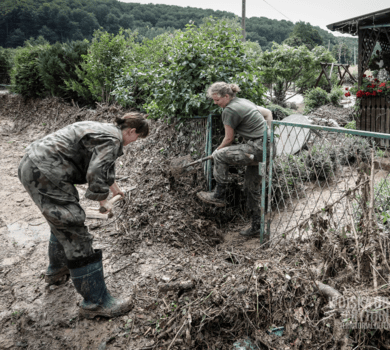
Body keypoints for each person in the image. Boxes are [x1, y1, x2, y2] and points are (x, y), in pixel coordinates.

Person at [18, 113, 149, 319]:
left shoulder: (104, 130)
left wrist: (114, 188)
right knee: (74, 228)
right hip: (46, 171)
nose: (134, 142)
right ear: (131, 131)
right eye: (137, 138)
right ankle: (96, 301)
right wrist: (101, 200)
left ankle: (58, 269)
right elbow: (97, 169)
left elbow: (102, 164)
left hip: (34, 164)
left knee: (61, 220)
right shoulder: (114, 139)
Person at [197, 82, 274, 238]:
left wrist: (215, 152)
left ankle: (219, 195)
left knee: (219, 155)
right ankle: (257, 228)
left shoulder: (230, 110)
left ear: (227, 96)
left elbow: (229, 139)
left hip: (257, 150)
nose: (215, 103)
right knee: (250, 188)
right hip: (268, 149)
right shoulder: (244, 102)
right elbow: (267, 113)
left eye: (217, 100)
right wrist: (268, 133)